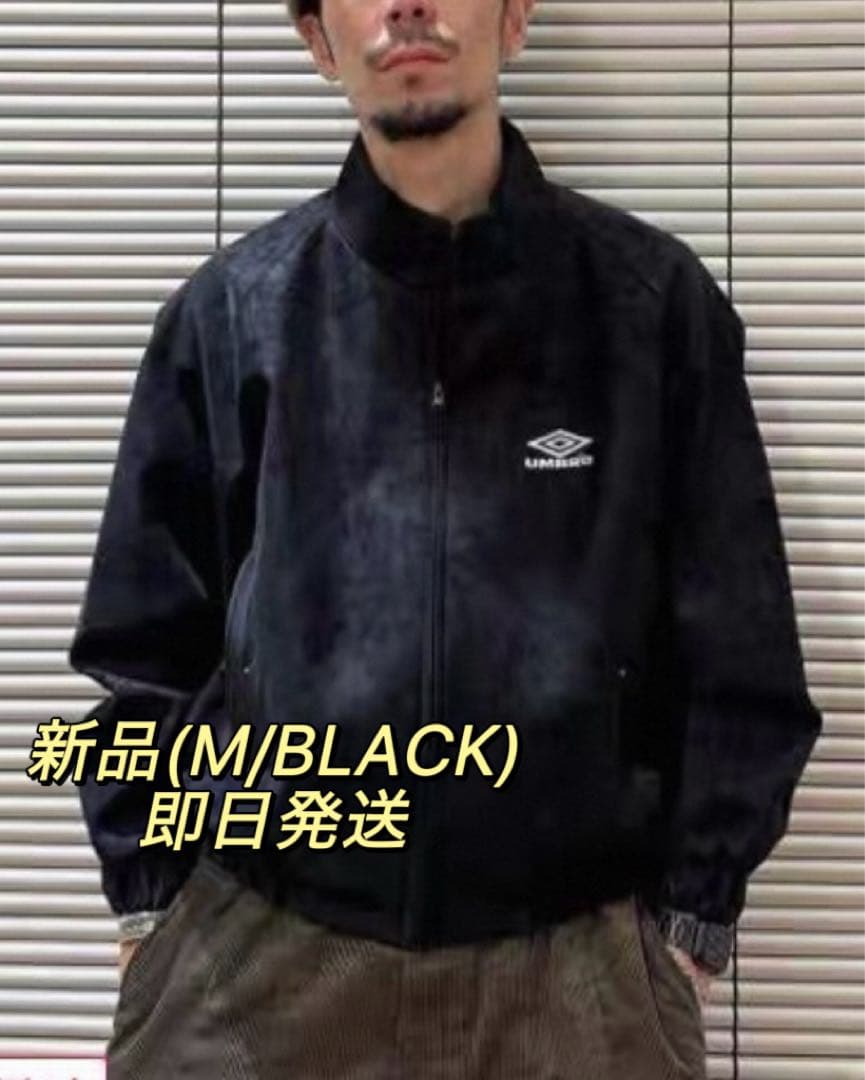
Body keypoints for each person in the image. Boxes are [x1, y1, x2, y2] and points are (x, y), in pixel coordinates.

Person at [67, 0, 823, 1076]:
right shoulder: (231, 315)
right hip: (257, 964)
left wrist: (686, 931)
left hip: (576, 980)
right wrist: (154, 908)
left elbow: (743, 665)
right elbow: (140, 655)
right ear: (318, 40)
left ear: (513, 18)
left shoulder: (652, 309)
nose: (408, 5)